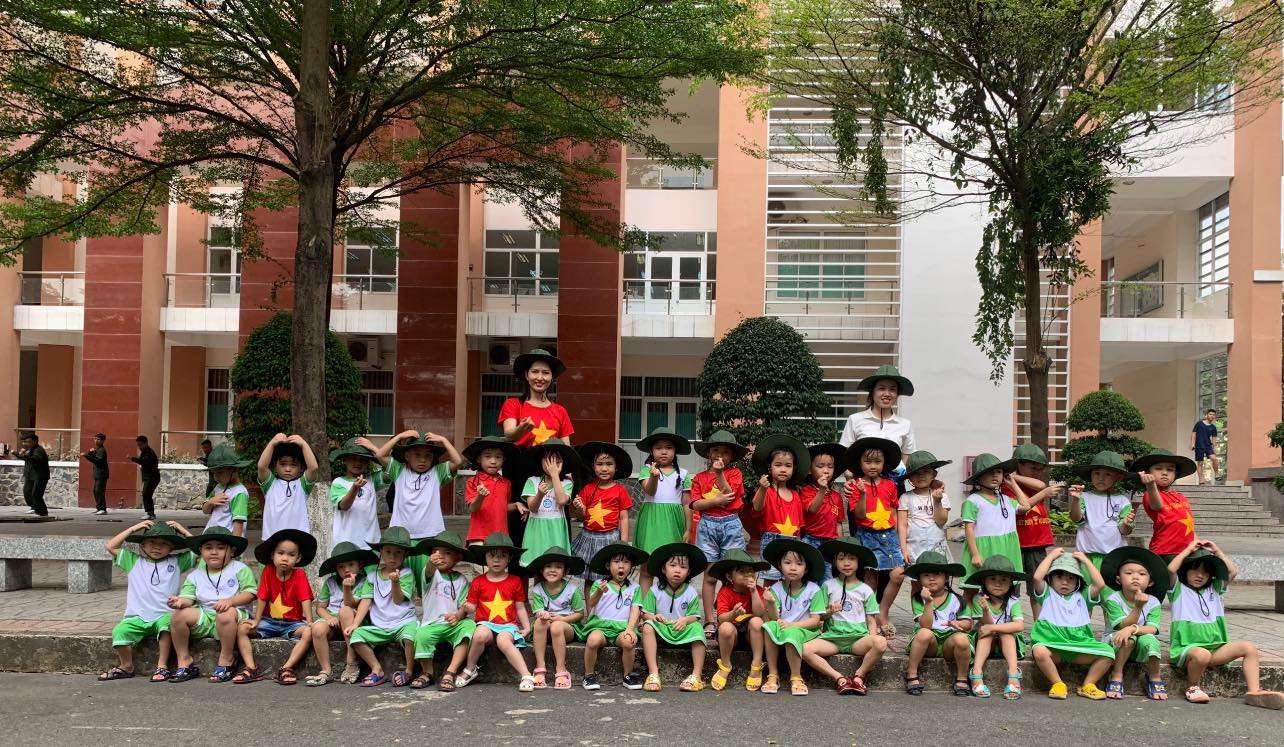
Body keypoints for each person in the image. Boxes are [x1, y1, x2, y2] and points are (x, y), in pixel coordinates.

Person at [1167, 539, 1284, 708]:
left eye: (1205, 572)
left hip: (1216, 649)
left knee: (1249, 648)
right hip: (1188, 650)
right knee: (1202, 655)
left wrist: (1217, 551)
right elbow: (1171, 569)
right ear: (1185, 570)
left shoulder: (1215, 588)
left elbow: (1232, 571)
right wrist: (1188, 549)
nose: (1200, 575)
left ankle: (1254, 692)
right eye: (1195, 570)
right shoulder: (1178, 589)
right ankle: (1193, 687)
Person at [98, 520, 195, 682]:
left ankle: (162, 666)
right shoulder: (133, 560)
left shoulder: (177, 561)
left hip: (164, 615)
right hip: (137, 616)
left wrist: (182, 530)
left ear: (172, 547)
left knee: (166, 627)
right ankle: (126, 666)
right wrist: (133, 528)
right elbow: (111, 546)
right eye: (151, 542)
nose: (157, 547)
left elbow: (200, 550)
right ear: (142, 545)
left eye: (164, 544)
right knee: (119, 632)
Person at [500, 348, 575, 545]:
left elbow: (567, 449)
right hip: (520, 469)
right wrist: (522, 429)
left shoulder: (560, 411)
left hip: (552, 469)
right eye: (535, 371)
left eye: (545, 373)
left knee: (554, 518)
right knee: (520, 524)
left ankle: (554, 562)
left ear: (552, 377)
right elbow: (509, 435)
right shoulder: (514, 404)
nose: (540, 377)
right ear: (526, 374)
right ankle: (521, 564)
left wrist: (567, 474)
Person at [167, 526, 257, 683]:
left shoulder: (240, 569)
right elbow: (188, 597)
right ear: (201, 551)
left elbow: (251, 593)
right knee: (178, 616)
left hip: (233, 614)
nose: (214, 552)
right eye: (208, 548)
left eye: (221, 548)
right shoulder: (195, 575)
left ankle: (227, 658)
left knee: (225, 614)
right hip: (205, 614)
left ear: (232, 551)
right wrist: (180, 602)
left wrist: (230, 601)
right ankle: (184, 660)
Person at [376, 430, 465, 587]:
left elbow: (458, 461)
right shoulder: (399, 470)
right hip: (402, 539)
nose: (423, 460)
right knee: (402, 583)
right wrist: (399, 437)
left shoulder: (437, 472)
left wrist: (443, 439)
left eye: (428, 456)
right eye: (417, 455)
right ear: (407, 456)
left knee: (429, 583)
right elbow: (379, 455)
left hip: (430, 538)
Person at [802, 538, 887, 696]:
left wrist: (872, 640)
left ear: (858, 562)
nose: (846, 563)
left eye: (851, 559)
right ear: (835, 562)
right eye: (841, 559)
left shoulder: (866, 590)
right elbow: (820, 617)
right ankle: (840, 678)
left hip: (858, 640)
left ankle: (859, 676)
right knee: (805, 650)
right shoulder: (827, 586)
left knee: (881, 642)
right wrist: (830, 611)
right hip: (832, 639)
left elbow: (871, 620)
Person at [1028, 548, 1116, 700]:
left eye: (1071, 578)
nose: (1065, 582)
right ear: (1050, 579)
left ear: (1078, 581)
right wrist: (1051, 556)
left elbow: (1100, 584)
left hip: (1079, 645)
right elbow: (1036, 577)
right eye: (1059, 577)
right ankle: (1058, 684)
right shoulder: (1047, 593)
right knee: (1039, 651)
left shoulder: (1083, 596)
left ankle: (1088, 684)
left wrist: (1086, 561)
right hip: (1053, 645)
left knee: (1108, 652)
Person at [236, 528, 317, 685]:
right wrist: (256, 620)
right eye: (280, 553)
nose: (285, 558)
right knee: (242, 628)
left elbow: (305, 598)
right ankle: (251, 668)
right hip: (268, 621)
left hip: (293, 624)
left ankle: (286, 668)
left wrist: (309, 621)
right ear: (272, 555)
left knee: (308, 632)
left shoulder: (299, 574)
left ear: (298, 558)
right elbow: (262, 597)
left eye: (291, 555)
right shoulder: (268, 571)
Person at [689, 430, 749, 636]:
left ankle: (730, 616)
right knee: (710, 575)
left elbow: (730, 494)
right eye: (715, 450)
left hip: (731, 524)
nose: (720, 455)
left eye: (725, 452)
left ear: (731, 456)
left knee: (733, 574)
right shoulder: (699, 478)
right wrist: (714, 501)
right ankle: (709, 620)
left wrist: (719, 473)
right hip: (707, 525)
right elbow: (695, 504)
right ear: (708, 453)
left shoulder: (735, 474)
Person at [457, 533, 534, 691]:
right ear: (485, 558)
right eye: (492, 556)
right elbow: (472, 606)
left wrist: (526, 627)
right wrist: (467, 607)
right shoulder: (478, 581)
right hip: (485, 623)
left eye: (502, 556)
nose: (496, 560)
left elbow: (520, 606)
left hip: (507, 625)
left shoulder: (515, 581)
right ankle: (470, 668)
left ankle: (526, 674)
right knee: (479, 635)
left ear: (509, 558)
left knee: (504, 641)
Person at [843, 437, 902, 636]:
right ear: (860, 463)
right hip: (867, 536)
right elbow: (859, 515)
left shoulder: (890, 485)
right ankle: (871, 618)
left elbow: (893, 510)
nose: (873, 466)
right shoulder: (855, 486)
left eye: (877, 462)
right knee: (870, 579)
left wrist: (897, 536)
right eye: (868, 462)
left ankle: (883, 612)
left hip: (889, 536)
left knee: (898, 574)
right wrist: (862, 494)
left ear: (884, 463)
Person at [348, 526, 420, 687]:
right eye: (388, 552)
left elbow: (398, 600)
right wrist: (355, 623)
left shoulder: (406, 573)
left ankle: (409, 671)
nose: (392, 557)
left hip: (403, 622)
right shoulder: (372, 576)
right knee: (356, 636)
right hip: (380, 625)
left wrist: (395, 582)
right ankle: (377, 669)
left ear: (405, 554)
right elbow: (366, 601)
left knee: (410, 638)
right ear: (381, 552)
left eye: (398, 553)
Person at [1099, 546, 1171, 700]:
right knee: (1128, 639)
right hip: (1116, 642)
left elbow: (1152, 628)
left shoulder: (1153, 602)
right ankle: (1116, 674)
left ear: (1150, 582)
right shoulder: (1113, 599)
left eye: (1142, 574)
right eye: (1129, 573)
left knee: (1151, 641)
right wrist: (1138, 607)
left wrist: (1132, 629)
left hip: (1139, 639)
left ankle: (1155, 677)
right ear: (1118, 579)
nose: (1135, 577)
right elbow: (1121, 627)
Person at [759, 537, 826, 696]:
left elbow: (816, 620)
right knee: (768, 626)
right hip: (784, 627)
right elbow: (775, 618)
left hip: (806, 630)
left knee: (792, 633)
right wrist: (770, 602)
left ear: (806, 569)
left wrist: (792, 625)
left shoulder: (814, 589)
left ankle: (796, 677)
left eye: (799, 564)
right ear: (780, 566)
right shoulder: (776, 588)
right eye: (787, 563)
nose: (793, 568)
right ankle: (772, 674)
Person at [902, 550, 974, 697]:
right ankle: (911, 673)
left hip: (950, 643)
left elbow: (968, 624)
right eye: (926, 575)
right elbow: (926, 625)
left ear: (946, 577)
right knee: (924, 633)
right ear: (919, 579)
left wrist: (958, 624)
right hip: (930, 643)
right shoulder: (918, 599)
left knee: (962, 639)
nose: (932, 578)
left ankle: (962, 678)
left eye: (937, 574)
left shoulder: (958, 600)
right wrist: (928, 603)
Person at [411, 531, 476, 691]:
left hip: (453, 625)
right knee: (421, 635)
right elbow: (428, 570)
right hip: (431, 624)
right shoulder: (431, 574)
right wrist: (431, 563)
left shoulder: (461, 579)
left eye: (447, 553)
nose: (440, 556)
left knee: (469, 626)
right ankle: (427, 672)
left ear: (457, 558)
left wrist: (460, 614)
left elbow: (463, 605)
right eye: (436, 552)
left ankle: (450, 672)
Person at [639, 541, 707, 692]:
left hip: (680, 629)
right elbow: (644, 613)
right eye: (673, 565)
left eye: (683, 567)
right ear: (664, 569)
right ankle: (653, 673)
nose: (677, 570)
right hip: (662, 629)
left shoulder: (690, 592)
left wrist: (685, 620)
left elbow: (695, 616)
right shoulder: (655, 590)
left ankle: (696, 676)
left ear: (688, 572)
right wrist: (654, 617)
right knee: (648, 626)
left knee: (697, 628)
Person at [578, 542, 648, 690]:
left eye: (626, 562)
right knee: (593, 640)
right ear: (608, 566)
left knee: (629, 641)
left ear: (631, 566)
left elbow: (635, 609)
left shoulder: (635, 588)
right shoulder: (600, 583)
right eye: (616, 562)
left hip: (622, 628)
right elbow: (591, 603)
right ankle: (588, 675)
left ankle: (627, 675)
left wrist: (630, 629)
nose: (621, 566)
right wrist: (599, 591)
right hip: (600, 626)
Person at [308, 541, 377, 686]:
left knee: (345, 611)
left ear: (360, 565)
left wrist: (347, 588)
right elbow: (320, 608)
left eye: (351, 564)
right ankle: (326, 670)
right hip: (333, 621)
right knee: (317, 629)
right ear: (336, 569)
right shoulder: (330, 582)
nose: (346, 569)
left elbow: (351, 604)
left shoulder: (364, 581)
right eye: (341, 566)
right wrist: (328, 617)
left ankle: (351, 662)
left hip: (354, 622)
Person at [634, 428, 693, 588]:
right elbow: (650, 491)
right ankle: (644, 602)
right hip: (651, 521)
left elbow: (687, 503)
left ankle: (666, 601)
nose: (664, 451)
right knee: (647, 567)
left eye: (669, 447)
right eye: (658, 448)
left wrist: (688, 529)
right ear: (651, 451)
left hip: (673, 523)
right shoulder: (647, 470)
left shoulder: (684, 474)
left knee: (671, 564)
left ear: (675, 451)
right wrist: (654, 476)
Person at [961, 453, 1034, 580]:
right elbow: (969, 528)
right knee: (975, 585)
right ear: (978, 477)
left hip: (1007, 549)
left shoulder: (1007, 499)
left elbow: (1026, 506)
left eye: (999, 472)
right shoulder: (973, 500)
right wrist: (975, 554)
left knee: (1004, 584)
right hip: (983, 550)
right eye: (990, 472)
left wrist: (1013, 484)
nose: (995, 475)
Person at [706, 548, 769, 691]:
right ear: (729, 577)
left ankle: (756, 663)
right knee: (725, 627)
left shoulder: (758, 590)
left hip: (751, 636)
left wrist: (753, 592)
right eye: (742, 571)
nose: (748, 574)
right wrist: (733, 614)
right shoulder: (725, 592)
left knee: (757, 621)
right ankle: (725, 664)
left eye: (751, 571)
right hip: (731, 637)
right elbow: (722, 618)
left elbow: (759, 613)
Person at [571, 441, 634, 582]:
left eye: (609, 464)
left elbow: (623, 518)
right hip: (588, 538)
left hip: (610, 538)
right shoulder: (587, 489)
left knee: (609, 577)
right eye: (599, 464)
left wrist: (623, 544)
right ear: (593, 467)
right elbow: (580, 515)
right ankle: (589, 598)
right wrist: (579, 508)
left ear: (616, 467)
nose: (604, 468)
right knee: (589, 578)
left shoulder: (620, 491)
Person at [965, 555, 1027, 699]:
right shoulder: (979, 599)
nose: (998, 584)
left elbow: (1019, 625)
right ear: (984, 581)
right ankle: (976, 673)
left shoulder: (1013, 601)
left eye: (1003, 580)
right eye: (992, 579)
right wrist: (986, 610)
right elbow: (987, 626)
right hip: (985, 643)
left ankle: (1013, 676)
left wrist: (994, 628)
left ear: (1011, 582)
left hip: (1008, 645)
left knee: (1006, 634)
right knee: (987, 634)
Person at [751, 433, 809, 583]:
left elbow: (799, 525)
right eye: (778, 465)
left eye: (788, 466)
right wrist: (762, 489)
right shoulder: (767, 491)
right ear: (769, 468)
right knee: (770, 580)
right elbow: (756, 508)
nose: (783, 469)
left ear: (794, 469)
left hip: (793, 541)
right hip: (771, 541)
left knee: (790, 580)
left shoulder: (795, 495)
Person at [526, 545, 586, 690]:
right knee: (540, 622)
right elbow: (538, 611)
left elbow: (580, 614)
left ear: (566, 571)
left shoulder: (572, 589)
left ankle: (561, 669)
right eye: (548, 566)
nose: (552, 570)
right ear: (542, 570)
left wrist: (562, 619)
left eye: (558, 567)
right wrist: (543, 615)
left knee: (556, 626)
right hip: (546, 626)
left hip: (566, 627)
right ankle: (540, 667)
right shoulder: (538, 589)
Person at [838, 364, 916, 470]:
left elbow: (907, 456)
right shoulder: (855, 419)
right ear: (872, 392)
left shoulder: (905, 424)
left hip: (894, 479)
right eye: (881, 388)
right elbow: (845, 453)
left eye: (892, 389)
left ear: (897, 394)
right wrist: (849, 473)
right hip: (862, 479)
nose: (887, 394)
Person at [1008, 443, 1055, 618]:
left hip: (1036, 543)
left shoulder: (1022, 482)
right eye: (1032, 467)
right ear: (1018, 464)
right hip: (1016, 543)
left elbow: (1041, 485)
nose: (1036, 471)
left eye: (1040, 468)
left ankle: (1039, 625)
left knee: (1038, 586)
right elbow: (1022, 508)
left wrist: (1014, 477)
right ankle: (1011, 622)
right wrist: (1012, 480)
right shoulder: (1007, 487)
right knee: (1012, 586)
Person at [519, 438, 580, 567]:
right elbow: (532, 508)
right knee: (537, 565)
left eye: (557, 461)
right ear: (540, 461)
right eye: (548, 460)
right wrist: (540, 494)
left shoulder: (567, 483)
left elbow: (561, 500)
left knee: (555, 564)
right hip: (537, 530)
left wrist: (554, 475)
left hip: (556, 529)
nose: (552, 465)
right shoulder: (532, 481)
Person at [1070, 451, 1134, 568]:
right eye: (1096, 473)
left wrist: (1126, 524)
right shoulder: (1084, 496)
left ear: (1118, 477)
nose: (1101, 478)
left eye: (1107, 474)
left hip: (1114, 556)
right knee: (1088, 581)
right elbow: (1077, 519)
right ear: (1091, 475)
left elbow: (1125, 531)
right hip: (1086, 556)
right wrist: (1075, 500)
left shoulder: (1123, 500)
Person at [1134, 449, 1199, 560]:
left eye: (1170, 469)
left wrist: (1197, 541)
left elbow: (1189, 523)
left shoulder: (1180, 496)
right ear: (1148, 473)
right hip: (1165, 551)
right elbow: (1157, 506)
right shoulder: (1150, 494)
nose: (1164, 473)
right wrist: (1151, 485)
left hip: (1187, 550)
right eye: (1158, 468)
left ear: (1175, 474)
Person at [256, 433, 320, 538]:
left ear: (301, 468)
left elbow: (313, 468)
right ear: (275, 465)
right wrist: (272, 443)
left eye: (293, 465)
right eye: (283, 464)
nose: (288, 469)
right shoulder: (270, 483)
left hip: (298, 538)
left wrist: (303, 444)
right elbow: (261, 466)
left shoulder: (303, 484)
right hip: (272, 538)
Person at [461, 436, 521, 546]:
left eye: (498, 457)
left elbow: (503, 506)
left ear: (503, 459)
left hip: (501, 537)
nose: (493, 461)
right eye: (488, 456)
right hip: (479, 536)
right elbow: (473, 508)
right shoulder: (472, 481)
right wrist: (480, 496)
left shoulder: (506, 483)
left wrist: (516, 505)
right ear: (479, 459)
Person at [897, 450, 953, 569]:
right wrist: (903, 549)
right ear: (910, 478)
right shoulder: (905, 497)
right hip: (914, 548)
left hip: (937, 547)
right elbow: (902, 525)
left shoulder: (942, 496)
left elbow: (942, 521)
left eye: (926, 471)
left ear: (934, 474)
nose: (921, 476)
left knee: (939, 575)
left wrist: (937, 501)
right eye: (916, 473)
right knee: (916, 577)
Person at [328, 437, 385, 549]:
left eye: (363, 459)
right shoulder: (338, 482)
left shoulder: (372, 480)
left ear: (368, 462)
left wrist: (373, 448)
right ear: (345, 460)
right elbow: (344, 506)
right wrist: (355, 488)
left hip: (371, 543)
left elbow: (391, 468)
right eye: (353, 458)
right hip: (346, 544)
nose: (358, 463)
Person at [801, 443, 846, 583]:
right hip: (810, 540)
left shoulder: (836, 496)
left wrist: (840, 546)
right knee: (810, 578)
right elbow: (812, 509)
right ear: (810, 470)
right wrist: (821, 490)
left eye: (830, 466)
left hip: (830, 543)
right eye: (820, 466)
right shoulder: (806, 491)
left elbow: (838, 524)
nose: (826, 470)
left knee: (828, 579)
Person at [198, 442, 251, 536]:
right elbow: (205, 510)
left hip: (226, 542)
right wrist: (210, 502)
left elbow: (238, 523)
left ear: (234, 470)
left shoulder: (239, 493)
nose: (215, 477)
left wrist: (235, 543)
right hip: (212, 538)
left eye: (220, 472)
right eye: (214, 473)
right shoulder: (218, 487)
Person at [16, 432, 49, 517]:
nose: (25, 443)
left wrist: (24, 455)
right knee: (27, 492)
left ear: (35, 442)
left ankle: (42, 512)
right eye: (24, 442)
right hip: (30, 475)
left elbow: (35, 459)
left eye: (28, 442)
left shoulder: (39, 450)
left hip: (40, 476)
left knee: (36, 494)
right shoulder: (30, 449)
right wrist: (17, 454)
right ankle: (34, 507)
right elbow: (27, 459)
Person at [131, 435, 160, 519]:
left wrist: (132, 458)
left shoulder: (149, 452)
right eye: (138, 445)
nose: (139, 447)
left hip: (152, 477)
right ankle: (150, 513)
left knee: (146, 494)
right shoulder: (144, 452)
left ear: (146, 443)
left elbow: (143, 461)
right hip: (148, 477)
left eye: (140, 445)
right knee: (147, 494)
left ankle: (150, 514)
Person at [82, 432, 109, 515]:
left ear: (103, 441)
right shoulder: (97, 449)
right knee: (95, 491)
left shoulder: (102, 450)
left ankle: (103, 509)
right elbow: (94, 458)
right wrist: (91, 452)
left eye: (98, 439)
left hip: (102, 474)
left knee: (99, 491)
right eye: (95, 439)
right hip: (97, 474)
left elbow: (98, 461)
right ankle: (99, 508)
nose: (96, 440)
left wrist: (86, 456)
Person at [1192, 409, 1221, 485]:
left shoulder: (1213, 427)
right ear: (1207, 415)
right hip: (1199, 445)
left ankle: (1217, 474)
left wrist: (1214, 448)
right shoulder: (1199, 424)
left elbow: (1214, 439)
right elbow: (1194, 434)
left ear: (1215, 416)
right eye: (1210, 414)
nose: (1212, 416)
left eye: (1213, 415)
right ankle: (1201, 479)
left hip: (1208, 445)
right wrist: (1192, 444)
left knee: (1214, 459)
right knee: (1200, 463)